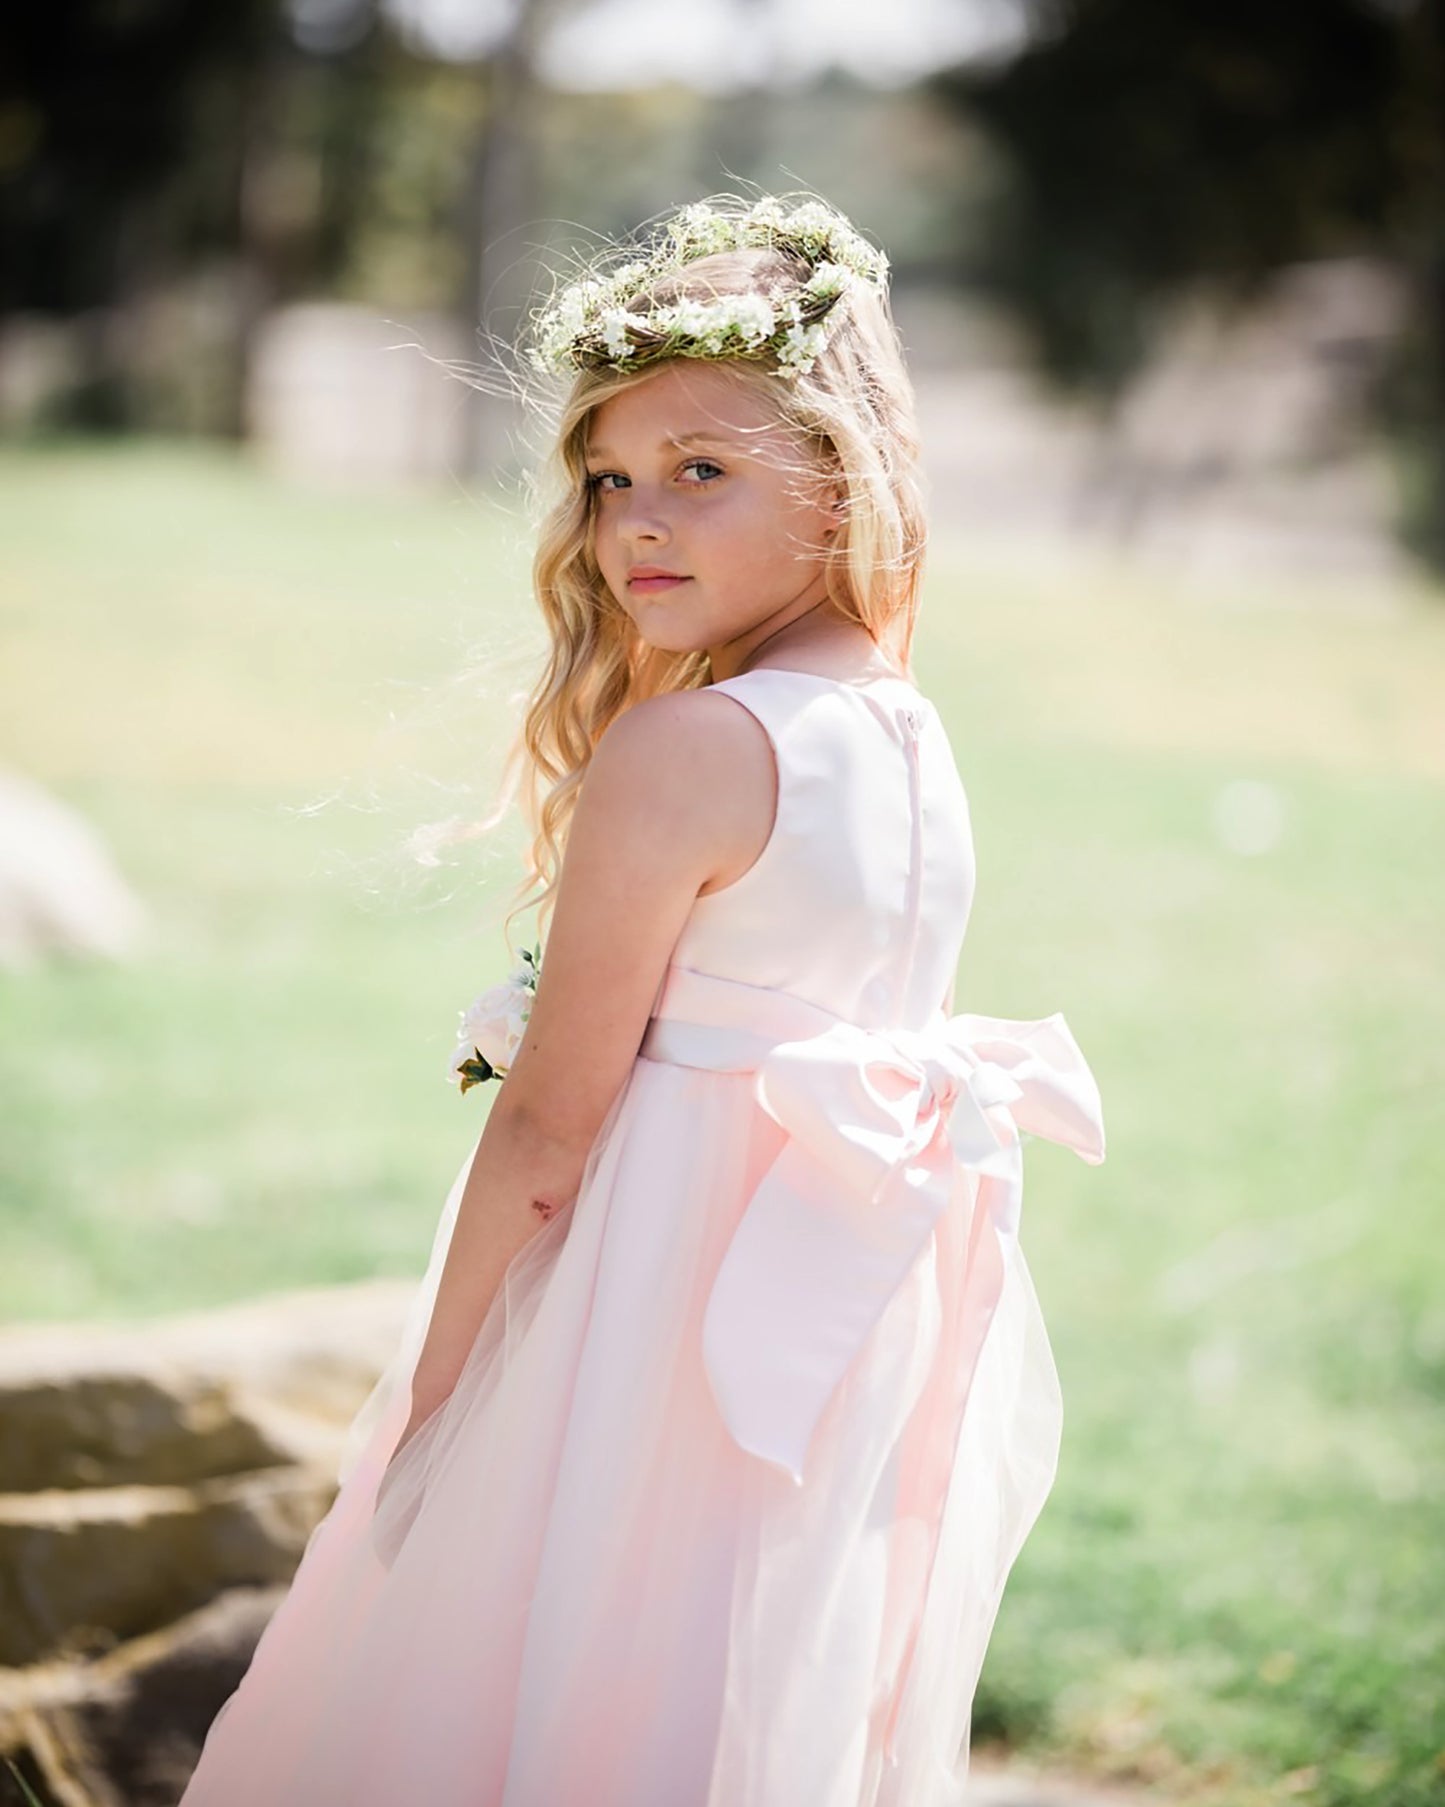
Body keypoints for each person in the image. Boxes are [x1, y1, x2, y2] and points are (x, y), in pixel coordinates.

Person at [175, 189, 1106, 1807]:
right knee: (722, 1684)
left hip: (651, 1311)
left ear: (842, 479)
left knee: (533, 1666)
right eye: (610, 479)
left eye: (702, 471)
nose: (635, 526)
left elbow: (549, 1117)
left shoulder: (690, 747)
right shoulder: (906, 738)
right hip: (820, 1318)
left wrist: (444, 1381)